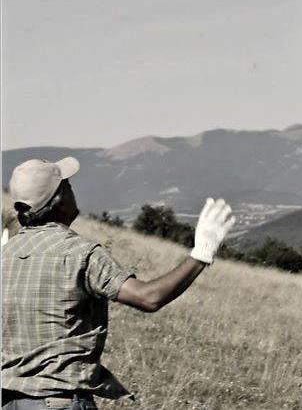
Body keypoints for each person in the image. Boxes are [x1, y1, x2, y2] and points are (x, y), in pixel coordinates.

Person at [2, 157, 235, 410]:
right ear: (57, 200)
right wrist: (201, 254)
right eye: (67, 185)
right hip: (59, 402)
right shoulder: (81, 254)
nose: (72, 190)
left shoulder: (5, 253)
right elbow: (148, 297)